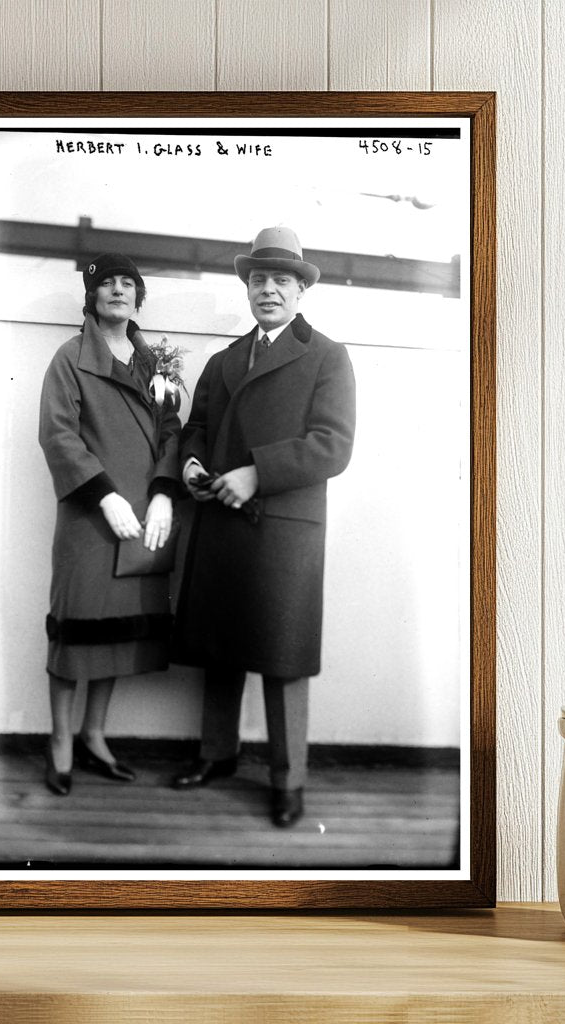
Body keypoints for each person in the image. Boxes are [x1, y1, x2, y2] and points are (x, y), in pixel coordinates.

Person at [172, 226, 356, 828]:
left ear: (301, 291)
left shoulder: (328, 355)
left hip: (283, 528)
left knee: (282, 657)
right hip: (221, 518)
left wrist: (256, 473)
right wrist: (194, 463)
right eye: (259, 280)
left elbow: (333, 446)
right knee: (220, 649)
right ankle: (216, 756)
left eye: (281, 280)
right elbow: (195, 428)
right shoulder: (224, 359)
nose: (268, 290)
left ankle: (288, 781)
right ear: (247, 289)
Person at [38, 254, 181, 796]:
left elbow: (172, 433)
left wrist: (164, 494)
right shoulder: (70, 358)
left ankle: (94, 736)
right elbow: (58, 434)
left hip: (145, 519)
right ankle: (59, 743)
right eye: (107, 283)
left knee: (117, 633)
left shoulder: (156, 363)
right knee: (76, 631)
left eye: (129, 283)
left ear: (138, 297)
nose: (118, 291)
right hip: (92, 520)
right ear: (91, 296)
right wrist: (104, 496)